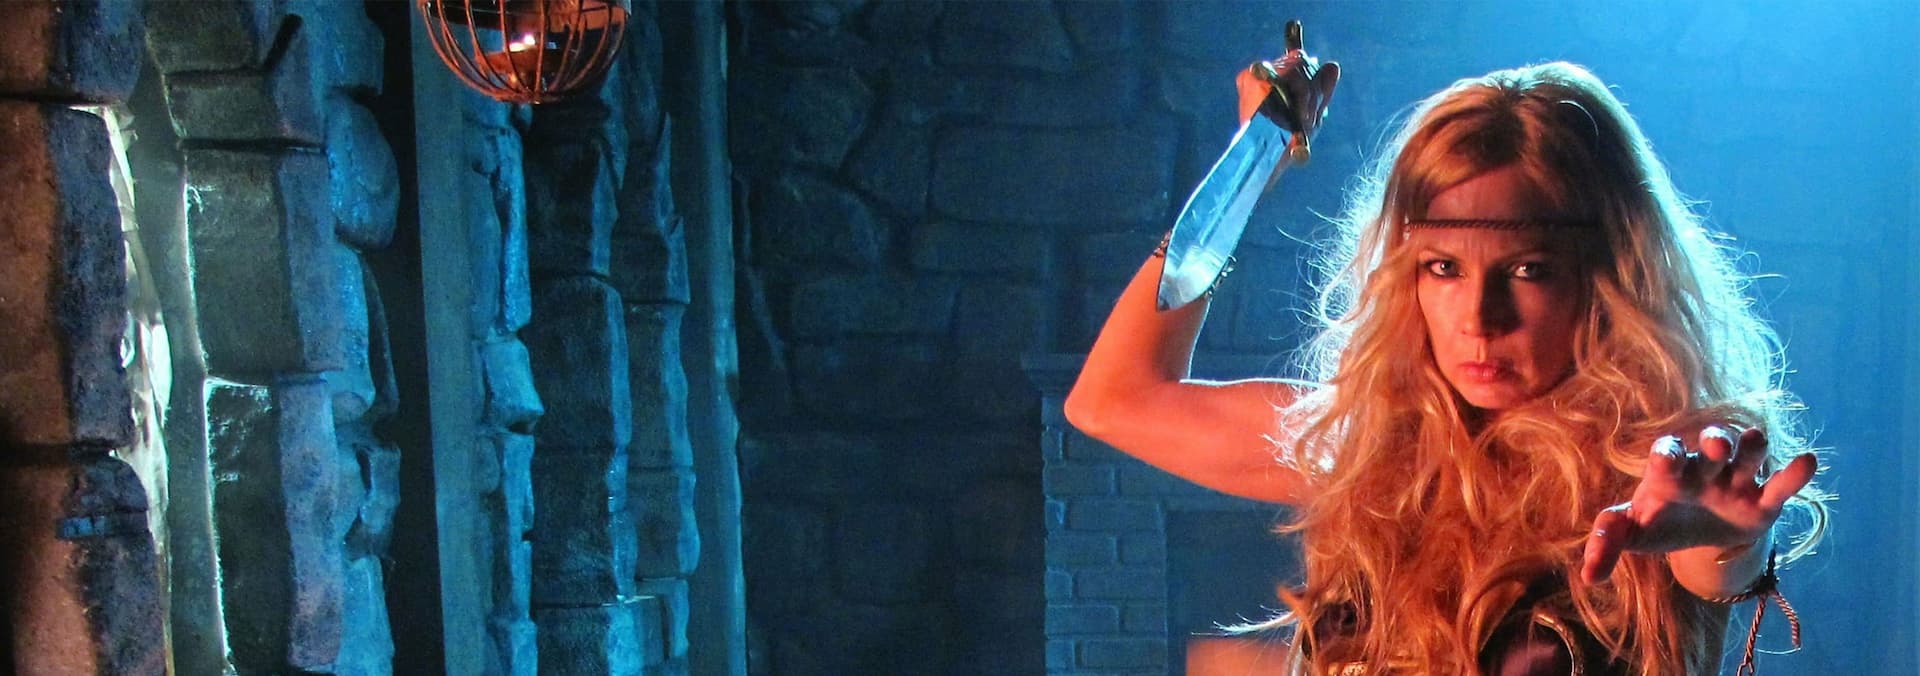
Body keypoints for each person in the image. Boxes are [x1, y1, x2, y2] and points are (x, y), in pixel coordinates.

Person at [1064, 60, 1830, 675]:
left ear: (1607, 279)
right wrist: (1255, 156)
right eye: (1443, 267)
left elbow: (1713, 553)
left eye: (1527, 270)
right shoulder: (1366, 451)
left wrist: (1729, 545)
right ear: (1406, 277)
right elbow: (1113, 399)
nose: (1478, 318)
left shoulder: (1662, 468)